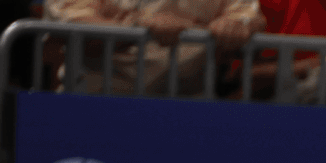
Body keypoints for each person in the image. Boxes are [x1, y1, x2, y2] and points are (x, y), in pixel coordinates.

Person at [46, 0, 259, 94]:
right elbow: (71, 23)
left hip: (188, 111)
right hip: (92, 103)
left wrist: (238, 24)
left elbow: (251, 17)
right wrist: (137, 26)